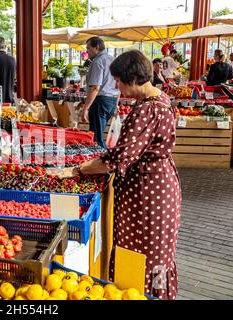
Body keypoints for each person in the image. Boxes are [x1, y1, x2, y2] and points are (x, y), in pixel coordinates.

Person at [61, 50, 181, 300]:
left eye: (118, 79)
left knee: (145, 252)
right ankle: (150, 293)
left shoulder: (146, 111)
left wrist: (78, 169)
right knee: (158, 252)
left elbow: (117, 158)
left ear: (134, 78)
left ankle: (146, 295)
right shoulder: (160, 100)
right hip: (159, 185)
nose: (115, 85)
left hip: (149, 193)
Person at [81, 36, 120, 148]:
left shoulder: (98, 62)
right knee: (99, 134)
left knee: (96, 139)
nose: (86, 51)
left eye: (88, 48)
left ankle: (101, 163)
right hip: (111, 100)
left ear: (96, 47)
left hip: (100, 101)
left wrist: (85, 108)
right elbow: (119, 85)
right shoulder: (113, 59)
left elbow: (95, 88)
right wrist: (116, 104)